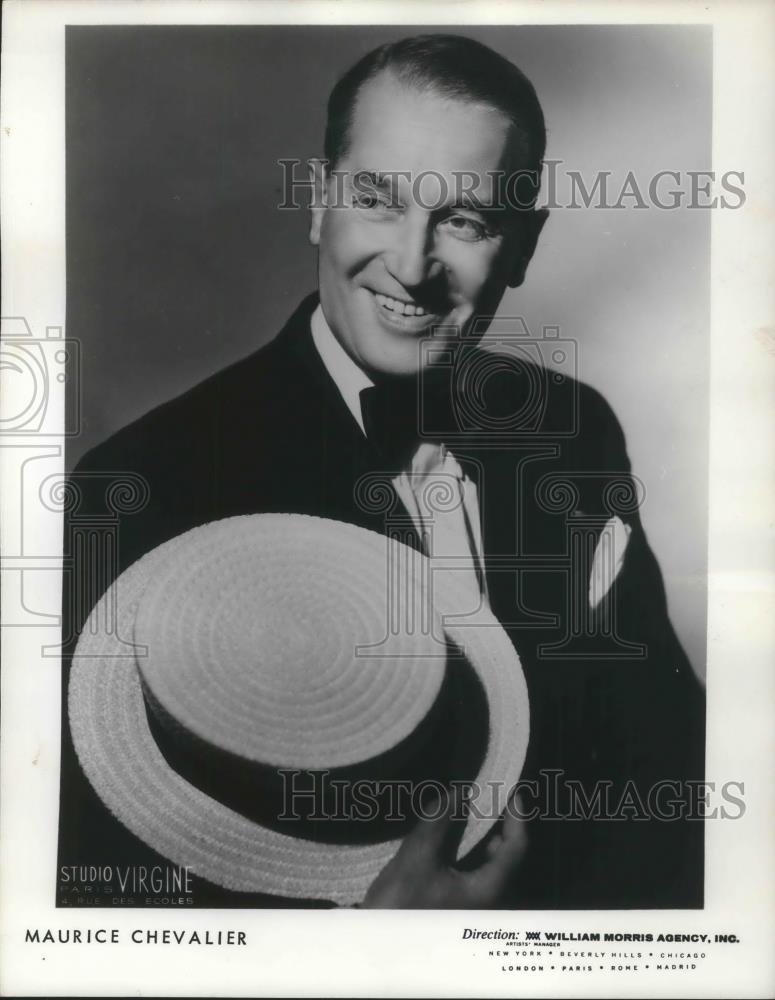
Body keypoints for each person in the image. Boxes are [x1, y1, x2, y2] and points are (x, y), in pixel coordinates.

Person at [59, 34, 704, 909]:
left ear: (521, 246)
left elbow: (668, 768)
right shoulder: (140, 485)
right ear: (319, 204)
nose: (410, 265)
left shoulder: (571, 430)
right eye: (377, 200)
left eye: (466, 220)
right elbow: (92, 886)